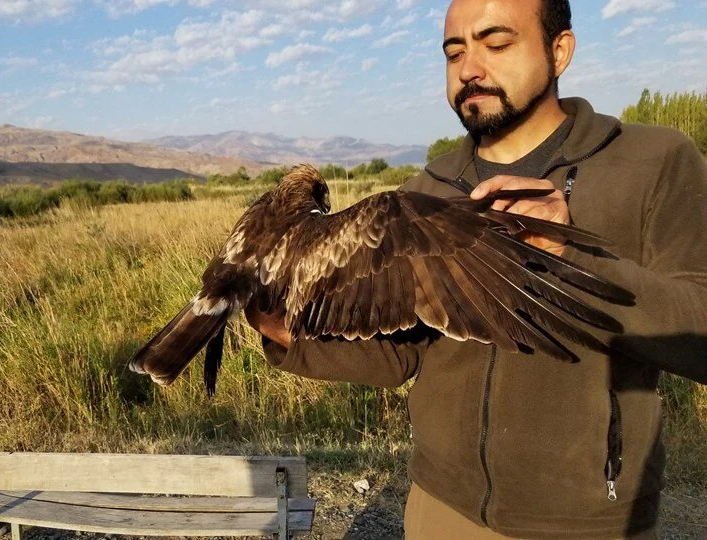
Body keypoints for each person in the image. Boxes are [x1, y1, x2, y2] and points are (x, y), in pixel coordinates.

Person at [245, 0, 707, 538]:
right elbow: (402, 351)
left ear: (560, 50)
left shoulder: (652, 162)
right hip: (440, 509)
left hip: (587, 521)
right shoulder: (427, 190)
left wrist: (567, 255)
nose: (469, 68)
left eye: (496, 43)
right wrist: (285, 335)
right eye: (454, 51)